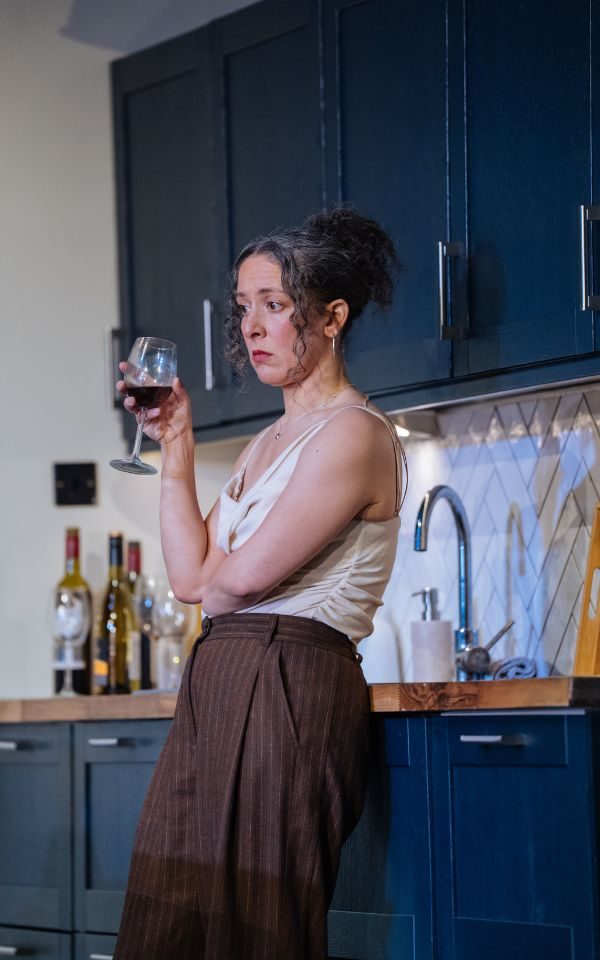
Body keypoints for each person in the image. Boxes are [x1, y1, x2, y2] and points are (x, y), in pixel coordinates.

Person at [113, 206, 407, 960]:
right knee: (168, 922)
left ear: (332, 316)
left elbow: (232, 582)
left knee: (255, 931)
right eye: (245, 308)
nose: (253, 326)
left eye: (275, 305)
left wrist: (218, 581)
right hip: (222, 677)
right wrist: (175, 441)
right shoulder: (264, 444)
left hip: (290, 680)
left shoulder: (354, 434)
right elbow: (190, 579)